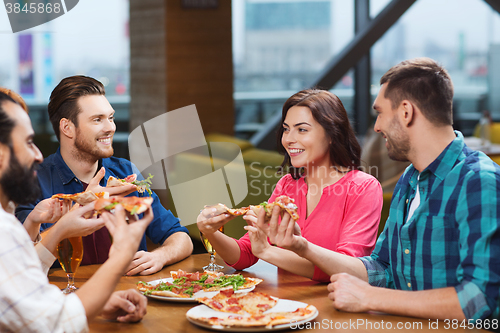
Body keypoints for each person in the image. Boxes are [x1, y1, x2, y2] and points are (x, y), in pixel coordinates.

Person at [261, 58, 500, 321]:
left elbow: (480, 298)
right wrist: (302, 247)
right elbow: (381, 268)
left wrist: (371, 297)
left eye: (380, 112)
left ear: (406, 112)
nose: (376, 126)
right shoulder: (410, 179)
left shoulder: (478, 179)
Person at [0, 91, 151, 331]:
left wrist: (97, 303)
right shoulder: (5, 228)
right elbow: (54, 325)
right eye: (29, 142)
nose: (37, 154)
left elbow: (26, 293)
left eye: (110, 117)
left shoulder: (124, 170)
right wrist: (122, 252)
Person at [197, 89, 382, 282]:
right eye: (286, 129)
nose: (288, 139)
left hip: (336, 304)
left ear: (331, 135)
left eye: (302, 129)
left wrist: (268, 252)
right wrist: (210, 231)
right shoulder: (287, 185)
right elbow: (245, 254)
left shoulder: (364, 188)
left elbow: (348, 268)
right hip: (286, 305)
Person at [16, 75, 193, 276]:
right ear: (67, 128)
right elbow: (18, 263)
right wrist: (81, 207)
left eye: (110, 117)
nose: (110, 127)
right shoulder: (32, 181)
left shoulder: (126, 173)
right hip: (67, 298)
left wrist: (160, 256)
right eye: (97, 119)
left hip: (129, 296)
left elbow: (181, 237)